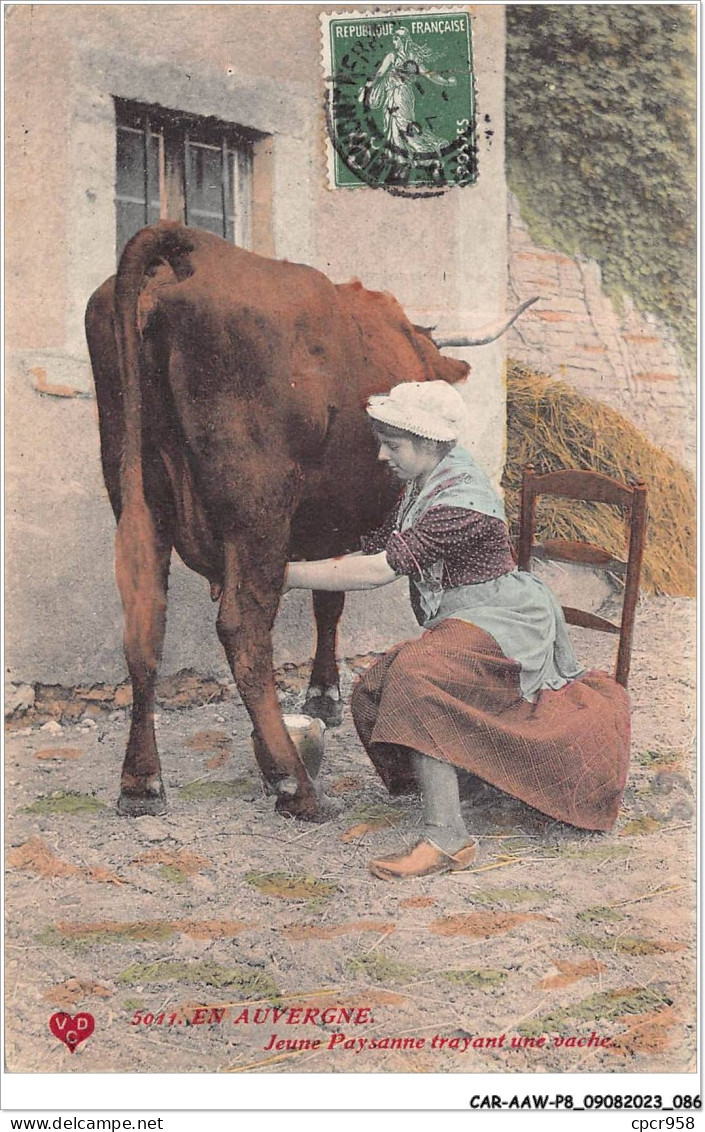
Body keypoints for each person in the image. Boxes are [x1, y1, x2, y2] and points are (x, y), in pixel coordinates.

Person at [283, 381, 631, 880]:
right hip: (470, 618)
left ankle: (448, 837)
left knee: (416, 677)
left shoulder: (461, 499)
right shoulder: (423, 485)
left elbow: (382, 568)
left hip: (506, 618)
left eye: (393, 444)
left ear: (429, 444)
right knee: (375, 687)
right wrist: (289, 560)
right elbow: (375, 546)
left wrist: (285, 577)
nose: (382, 454)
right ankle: (468, 778)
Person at [358, 28, 456, 159]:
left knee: (403, 128)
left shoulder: (399, 57)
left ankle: (423, 154)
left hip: (399, 96)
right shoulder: (401, 57)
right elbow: (379, 74)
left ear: (402, 40)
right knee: (398, 128)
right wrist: (366, 88)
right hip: (398, 96)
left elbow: (429, 74)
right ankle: (402, 158)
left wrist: (446, 82)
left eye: (396, 38)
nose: (394, 42)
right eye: (393, 38)